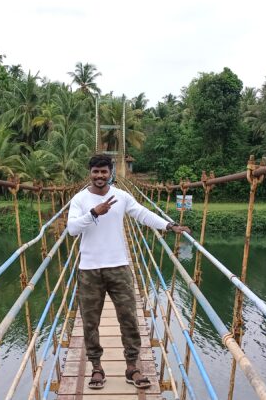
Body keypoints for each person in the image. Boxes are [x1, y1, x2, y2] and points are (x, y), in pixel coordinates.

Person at [66, 154, 191, 390]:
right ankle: (96, 368)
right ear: (89, 173)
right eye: (96, 172)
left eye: (104, 171)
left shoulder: (121, 196)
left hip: (119, 268)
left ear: (111, 172)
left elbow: (142, 214)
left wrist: (169, 225)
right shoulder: (80, 199)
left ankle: (132, 367)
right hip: (89, 270)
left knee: (130, 319)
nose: (100, 176)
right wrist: (94, 213)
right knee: (90, 323)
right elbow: (72, 229)